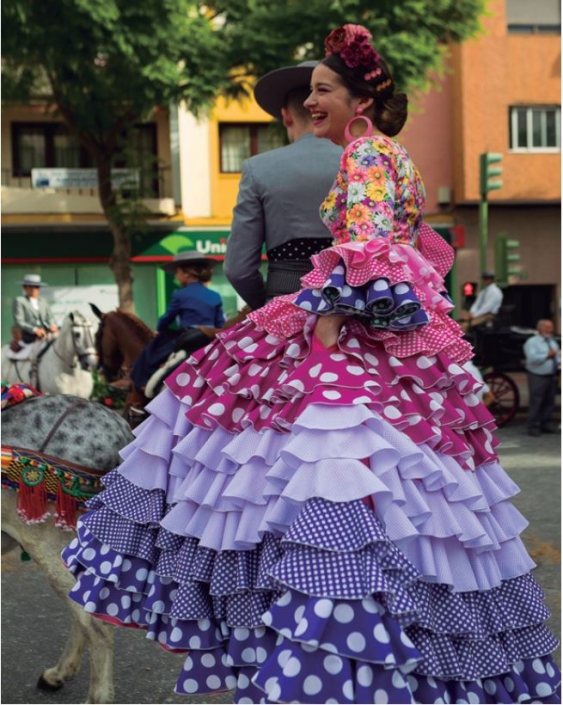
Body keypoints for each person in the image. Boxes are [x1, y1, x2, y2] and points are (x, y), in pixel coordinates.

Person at [62, 24, 560, 704]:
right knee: (411, 496)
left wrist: (320, 320)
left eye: (324, 89)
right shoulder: (395, 156)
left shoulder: (353, 159)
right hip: (394, 340)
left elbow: (359, 247)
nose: (311, 99)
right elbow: (409, 247)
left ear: (357, 98)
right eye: (310, 92)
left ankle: (320, 641)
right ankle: (402, 643)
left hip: (335, 324)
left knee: (253, 461)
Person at [224, 61, 342, 309]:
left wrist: (266, 304)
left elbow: (239, 270)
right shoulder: (372, 163)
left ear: (286, 116)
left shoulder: (258, 169)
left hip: (288, 308)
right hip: (363, 310)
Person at [125, 251, 225, 394]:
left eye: (177, 272)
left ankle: (140, 382)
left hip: (188, 337)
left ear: (187, 274)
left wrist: (160, 329)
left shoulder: (180, 294)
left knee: (152, 349)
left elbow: (167, 317)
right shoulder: (215, 296)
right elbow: (220, 323)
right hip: (209, 339)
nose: (176, 276)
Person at [523, 318, 560, 437]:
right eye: (548, 327)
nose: (551, 330)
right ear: (540, 328)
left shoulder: (552, 342)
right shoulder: (532, 342)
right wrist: (547, 355)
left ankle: (546, 424)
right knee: (536, 401)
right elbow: (532, 359)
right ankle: (533, 426)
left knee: (549, 401)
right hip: (537, 375)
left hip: (551, 375)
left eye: (552, 327)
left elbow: (557, 356)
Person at [12, 273, 59, 346]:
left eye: (36, 287)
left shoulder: (43, 301)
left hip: (45, 333)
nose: (33, 289)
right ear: (25, 288)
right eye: (30, 287)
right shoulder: (20, 301)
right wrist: (34, 330)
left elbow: (50, 317)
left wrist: (52, 325)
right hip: (28, 336)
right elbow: (19, 321)